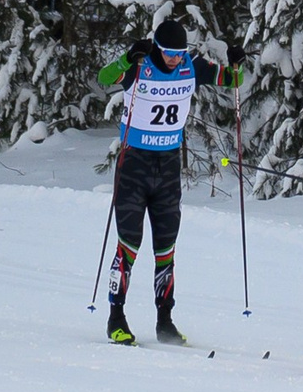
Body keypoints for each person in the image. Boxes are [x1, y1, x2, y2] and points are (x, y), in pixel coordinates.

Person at [97, 18, 226, 346]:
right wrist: (127, 57)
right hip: (134, 165)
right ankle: (116, 317)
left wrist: (236, 62)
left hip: (168, 167)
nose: (173, 59)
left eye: (178, 53)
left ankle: (164, 321)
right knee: (129, 243)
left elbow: (229, 78)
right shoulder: (141, 64)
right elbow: (103, 77)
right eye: (168, 52)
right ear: (157, 48)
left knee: (166, 247)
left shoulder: (189, 65)